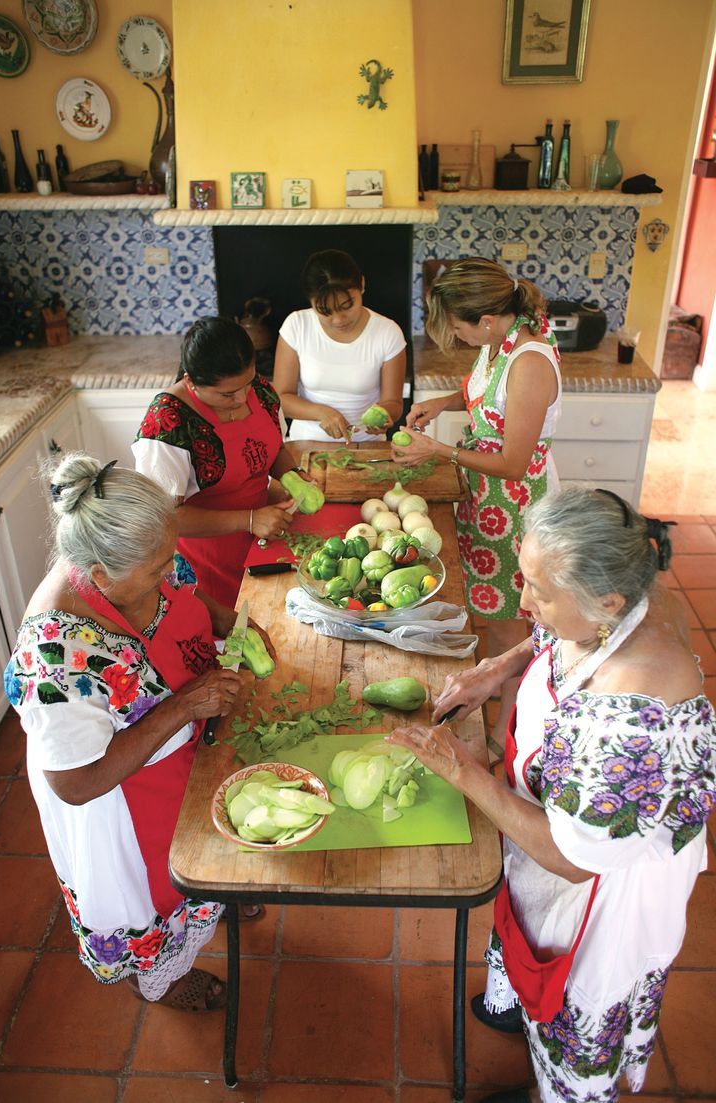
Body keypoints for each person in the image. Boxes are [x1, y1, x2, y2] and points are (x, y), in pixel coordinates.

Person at [388, 487, 716, 1103]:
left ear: (607, 604)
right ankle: (513, 1008)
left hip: (598, 894)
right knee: (521, 938)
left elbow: (571, 857)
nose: (522, 600)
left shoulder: (632, 713)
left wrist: (464, 772)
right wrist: (498, 668)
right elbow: (560, 635)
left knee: (572, 1022)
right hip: (551, 830)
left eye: (538, 591)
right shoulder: (617, 606)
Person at [4, 455, 275, 1009]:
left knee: (202, 847)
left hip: (180, 755)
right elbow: (75, 783)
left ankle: (212, 896)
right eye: (155, 570)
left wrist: (229, 618)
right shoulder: (56, 657)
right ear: (99, 576)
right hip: (118, 799)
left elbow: (184, 591)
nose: (167, 571)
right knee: (147, 893)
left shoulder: (139, 550)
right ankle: (159, 978)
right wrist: (183, 708)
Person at [392, 258, 562, 741]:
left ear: (485, 319)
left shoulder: (530, 361)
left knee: (511, 631)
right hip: (487, 501)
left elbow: (513, 463)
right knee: (493, 614)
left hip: (515, 509)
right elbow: (486, 395)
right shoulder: (498, 343)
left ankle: (508, 737)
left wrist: (438, 449)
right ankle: (498, 714)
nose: (455, 337)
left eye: (457, 328)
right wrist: (442, 403)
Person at [132, 316, 313, 607]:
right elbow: (163, 518)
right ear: (191, 381)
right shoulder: (168, 422)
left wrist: (292, 474)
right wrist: (250, 519)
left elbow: (274, 447)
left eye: (248, 383)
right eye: (227, 393)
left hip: (264, 544)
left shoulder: (262, 393)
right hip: (203, 569)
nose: (243, 398)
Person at [273, 248, 407, 442]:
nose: (338, 320)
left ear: (361, 285)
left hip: (366, 446)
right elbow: (281, 399)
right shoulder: (296, 325)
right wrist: (320, 412)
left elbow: (394, 403)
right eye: (325, 311)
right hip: (306, 444)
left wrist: (385, 415)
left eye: (347, 306)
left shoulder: (388, 332)